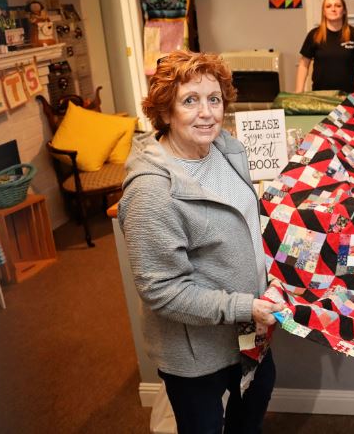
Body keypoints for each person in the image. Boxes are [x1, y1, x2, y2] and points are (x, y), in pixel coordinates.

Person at [119, 51, 281, 433]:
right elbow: (162, 291)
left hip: (249, 332)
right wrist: (244, 306)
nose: (206, 112)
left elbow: (243, 222)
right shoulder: (152, 192)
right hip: (197, 352)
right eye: (190, 100)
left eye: (214, 99)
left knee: (253, 409)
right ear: (165, 110)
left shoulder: (226, 148)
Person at [294, 0, 354, 95]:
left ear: (344, 11)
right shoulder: (314, 34)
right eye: (328, 6)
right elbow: (303, 65)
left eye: (338, 6)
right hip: (320, 96)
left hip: (347, 96)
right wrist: (299, 92)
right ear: (324, 11)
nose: (333, 9)